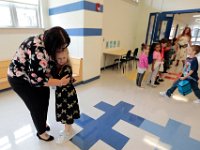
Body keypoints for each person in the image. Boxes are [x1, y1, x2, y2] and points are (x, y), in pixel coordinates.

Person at [7, 26, 71, 141]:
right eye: (60, 47)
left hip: (36, 76)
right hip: (20, 79)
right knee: (36, 105)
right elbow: (37, 80)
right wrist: (60, 82)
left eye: (64, 47)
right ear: (52, 45)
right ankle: (41, 132)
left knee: (44, 100)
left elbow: (47, 67)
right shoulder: (38, 49)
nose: (62, 49)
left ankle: (41, 122)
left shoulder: (48, 42)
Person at [51, 47, 80, 143]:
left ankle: (67, 131)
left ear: (67, 56)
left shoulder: (66, 68)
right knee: (67, 112)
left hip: (66, 95)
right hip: (62, 94)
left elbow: (62, 82)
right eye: (59, 58)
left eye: (64, 58)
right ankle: (69, 129)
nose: (62, 60)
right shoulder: (58, 66)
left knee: (67, 112)